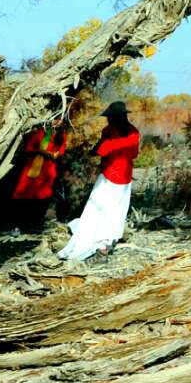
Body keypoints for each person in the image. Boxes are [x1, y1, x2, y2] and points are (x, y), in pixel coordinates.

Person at [56, 101, 141, 263]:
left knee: (96, 211)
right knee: (116, 212)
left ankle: (99, 248)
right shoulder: (134, 133)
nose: (108, 120)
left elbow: (101, 150)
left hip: (110, 177)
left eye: (109, 117)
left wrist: (91, 150)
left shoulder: (109, 131)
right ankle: (107, 244)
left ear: (113, 118)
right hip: (125, 178)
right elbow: (134, 154)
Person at [9, 120, 69, 232]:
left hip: (47, 171)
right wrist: (42, 152)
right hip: (32, 169)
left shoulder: (62, 135)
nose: (57, 122)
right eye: (56, 120)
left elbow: (60, 151)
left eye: (60, 121)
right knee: (23, 196)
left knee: (42, 199)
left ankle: (35, 224)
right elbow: (29, 148)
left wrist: (53, 154)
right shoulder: (42, 132)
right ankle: (18, 225)